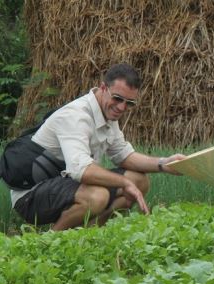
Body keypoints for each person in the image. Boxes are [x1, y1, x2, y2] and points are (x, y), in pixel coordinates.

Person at [11, 63, 186, 231]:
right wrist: (124, 183)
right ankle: (53, 241)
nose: (121, 107)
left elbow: (123, 155)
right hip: (31, 195)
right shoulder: (76, 116)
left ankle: (89, 233)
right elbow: (81, 170)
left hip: (66, 184)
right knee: (97, 196)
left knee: (139, 181)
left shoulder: (108, 115)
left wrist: (165, 164)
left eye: (129, 103)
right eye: (117, 98)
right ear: (103, 88)